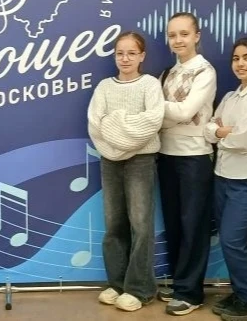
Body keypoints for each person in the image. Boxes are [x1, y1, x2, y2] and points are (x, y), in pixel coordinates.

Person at [88, 31, 165, 312]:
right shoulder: (104, 88)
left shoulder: (150, 85)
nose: (125, 58)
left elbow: (153, 121)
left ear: (142, 56)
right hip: (109, 161)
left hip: (141, 161)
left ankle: (140, 289)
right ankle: (118, 284)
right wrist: (125, 131)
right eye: (120, 53)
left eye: (132, 53)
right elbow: (95, 124)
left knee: (141, 225)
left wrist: (116, 123)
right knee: (114, 224)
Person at [204, 37, 247, 321]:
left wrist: (222, 132)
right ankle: (241, 293)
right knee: (229, 240)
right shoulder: (231, 97)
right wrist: (222, 132)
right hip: (223, 176)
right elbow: (208, 130)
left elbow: (243, 140)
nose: (240, 63)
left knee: (233, 240)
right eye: (236, 58)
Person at [156, 12, 217, 316]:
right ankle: (180, 281)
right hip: (165, 154)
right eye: (172, 35)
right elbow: (169, 115)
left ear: (197, 36)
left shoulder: (205, 71)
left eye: (184, 34)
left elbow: (185, 112)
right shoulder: (167, 73)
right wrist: (165, 112)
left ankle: (191, 292)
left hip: (195, 157)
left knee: (194, 225)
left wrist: (155, 107)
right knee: (174, 223)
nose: (178, 40)